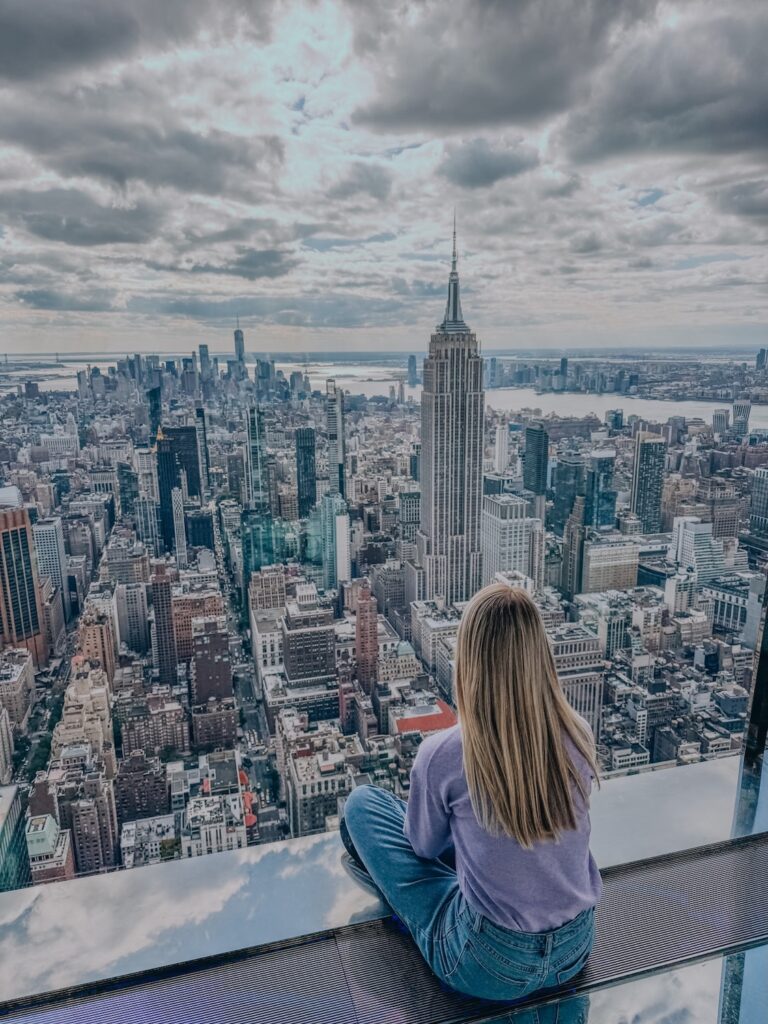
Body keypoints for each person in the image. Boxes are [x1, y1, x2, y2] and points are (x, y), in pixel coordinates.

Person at [340, 583, 602, 1002]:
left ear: (469, 662)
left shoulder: (444, 754)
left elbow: (423, 849)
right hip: (575, 948)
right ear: (539, 656)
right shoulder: (577, 733)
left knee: (363, 806)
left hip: (488, 964)